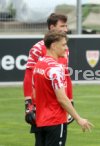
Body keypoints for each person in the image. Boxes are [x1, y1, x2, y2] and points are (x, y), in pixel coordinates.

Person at [32, 30, 93, 146]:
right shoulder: (56, 68)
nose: (66, 48)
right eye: (64, 45)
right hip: (55, 121)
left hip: (40, 121)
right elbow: (62, 99)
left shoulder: (38, 65)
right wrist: (79, 119)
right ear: (54, 46)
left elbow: (34, 93)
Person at [23, 13, 74, 145]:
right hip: (42, 107)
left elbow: (66, 74)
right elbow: (29, 76)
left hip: (59, 106)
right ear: (52, 27)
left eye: (66, 26)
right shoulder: (38, 49)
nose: (66, 29)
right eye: (62, 26)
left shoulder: (64, 49)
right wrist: (28, 105)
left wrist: (71, 99)